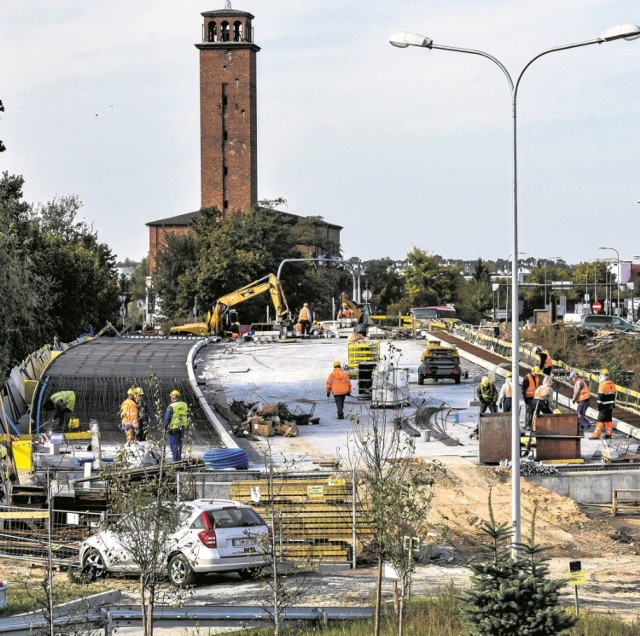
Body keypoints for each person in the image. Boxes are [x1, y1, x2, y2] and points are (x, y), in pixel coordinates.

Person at [164, 389, 189, 460]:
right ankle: (179, 459)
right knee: (179, 444)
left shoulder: (171, 406)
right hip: (182, 427)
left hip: (173, 429)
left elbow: (167, 418)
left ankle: (175, 460)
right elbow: (187, 414)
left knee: (173, 445)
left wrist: (164, 427)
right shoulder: (184, 405)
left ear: (173, 397)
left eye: (171, 396)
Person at [591, 369, 616, 440]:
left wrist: (599, 406)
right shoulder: (612, 384)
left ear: (602, 376)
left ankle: (596, 435)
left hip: (604, 406)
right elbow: (614, 395)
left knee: (600, 420)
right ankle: (608, 434)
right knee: (608, 420)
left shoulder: (602, 384)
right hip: (610, 406)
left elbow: (600, 397)